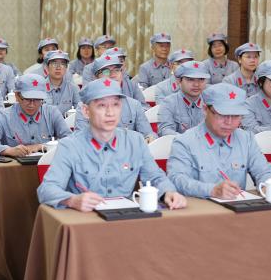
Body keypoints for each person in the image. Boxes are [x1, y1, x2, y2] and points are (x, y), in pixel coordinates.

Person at [38, 78, 187, 211]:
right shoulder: (70, 146)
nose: (110, 113)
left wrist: (169, 192)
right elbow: (47, 189)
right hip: (86, 220)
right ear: (86, 111)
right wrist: (72, 200)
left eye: (116, 104)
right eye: (102, 105)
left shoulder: (135, 141)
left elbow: (155, 177)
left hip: (125, 219)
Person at [167, 83, 271, 199]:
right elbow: (176, 179)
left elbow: (263, 171)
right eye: (222, 115)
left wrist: (267, 185)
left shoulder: (246, 139)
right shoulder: (184, 141)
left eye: (236, 116)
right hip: (199, 207)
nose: (229, 122)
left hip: (239, 207)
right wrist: (212, 190)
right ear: (205, 110)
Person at [0, 75, 71, 156]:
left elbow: (71, 140)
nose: (32, 104)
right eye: (27, 99)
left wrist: (42, 146)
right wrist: (8, 150)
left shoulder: (52, 113)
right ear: (17, 96)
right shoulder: (3, 116)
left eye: (37, 99)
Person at [75, 52, 154, 138]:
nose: (113, 75)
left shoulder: (134, 105)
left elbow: (148, 133)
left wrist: (150, 138)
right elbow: (80, 139)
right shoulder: (85, 106)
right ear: (96, 78)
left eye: (116, 70)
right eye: (106, 71)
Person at [157, 62, 209, 137]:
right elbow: (165, 130)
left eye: (201, 79)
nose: (196, 84)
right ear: (179, 81)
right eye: (190, 79)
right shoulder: (169, 103)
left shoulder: (211, 102)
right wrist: (189, 140)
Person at [42, 49, 80, 114]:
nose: (58, 68)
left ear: (66, 68)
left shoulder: (73, 88)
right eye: (54, 64)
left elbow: (80, 112)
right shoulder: (40, 87)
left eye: (62, 64)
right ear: (47, 67)